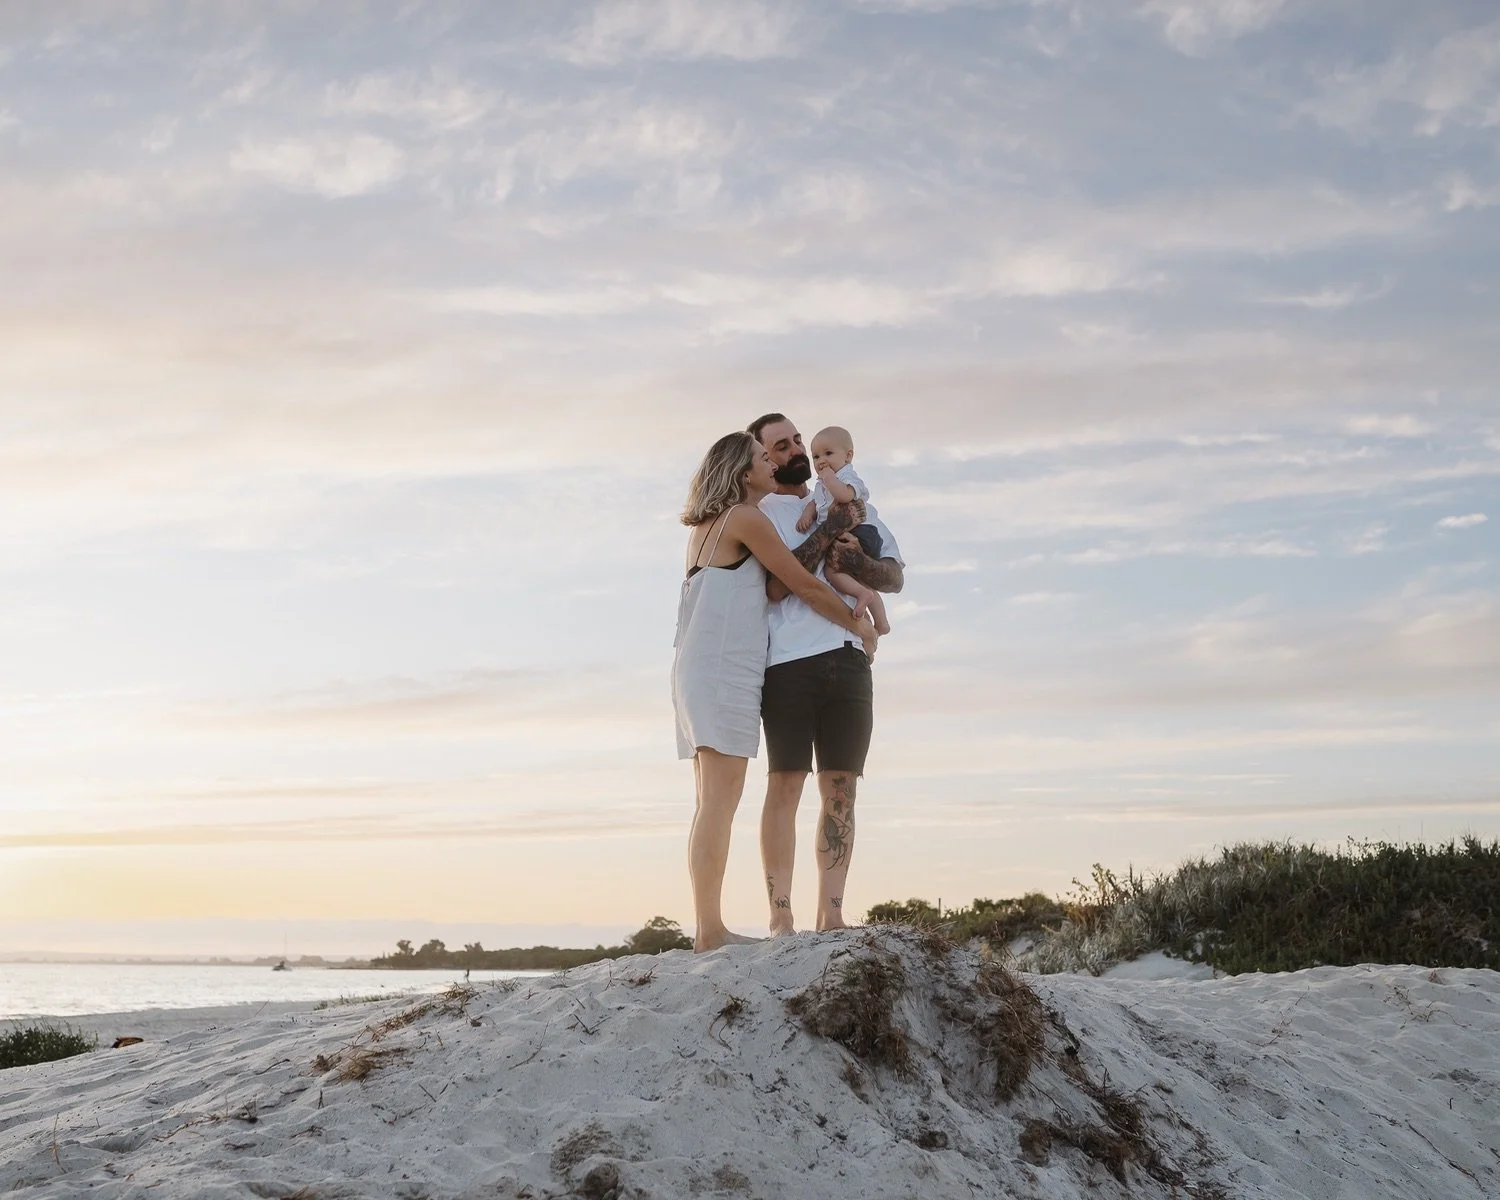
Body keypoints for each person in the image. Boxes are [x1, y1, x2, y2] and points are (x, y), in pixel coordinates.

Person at [672, 432, 879, 953]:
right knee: (719, 803)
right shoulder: (745, 518)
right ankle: (710, 932)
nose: (774, 461)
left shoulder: (703, 526)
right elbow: (802, 584)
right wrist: (861, 628)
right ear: (744, 473)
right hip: (723, 669)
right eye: (763, 457)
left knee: (710, 804)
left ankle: (707, 928)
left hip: (701, 668)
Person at [747, 413, 905, 937]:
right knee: (785, 785)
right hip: (789, 661)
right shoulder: (760, 511)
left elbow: (893, 576)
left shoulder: (854, 497)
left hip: (851, 657)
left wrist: (857, 558)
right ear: (763, 458)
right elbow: (775, 588)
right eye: (781, 445)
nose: (795, 450)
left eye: (798, 440)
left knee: (841, 789)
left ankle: (832, 912)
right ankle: (781, 914)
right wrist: (830, 527)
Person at [795, 425, 891, 635]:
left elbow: (846, 496)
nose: (821, 461)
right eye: (816, 456)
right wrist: (807, 514)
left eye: (828, 453)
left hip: (860, 532)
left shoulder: (847, 476)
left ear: (848, 456)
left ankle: (862, 596)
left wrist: (830, 480)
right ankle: (881, 622)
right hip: (848, 533)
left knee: (833, 571)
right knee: (859, 578)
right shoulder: (822, 484)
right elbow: (815, 502)